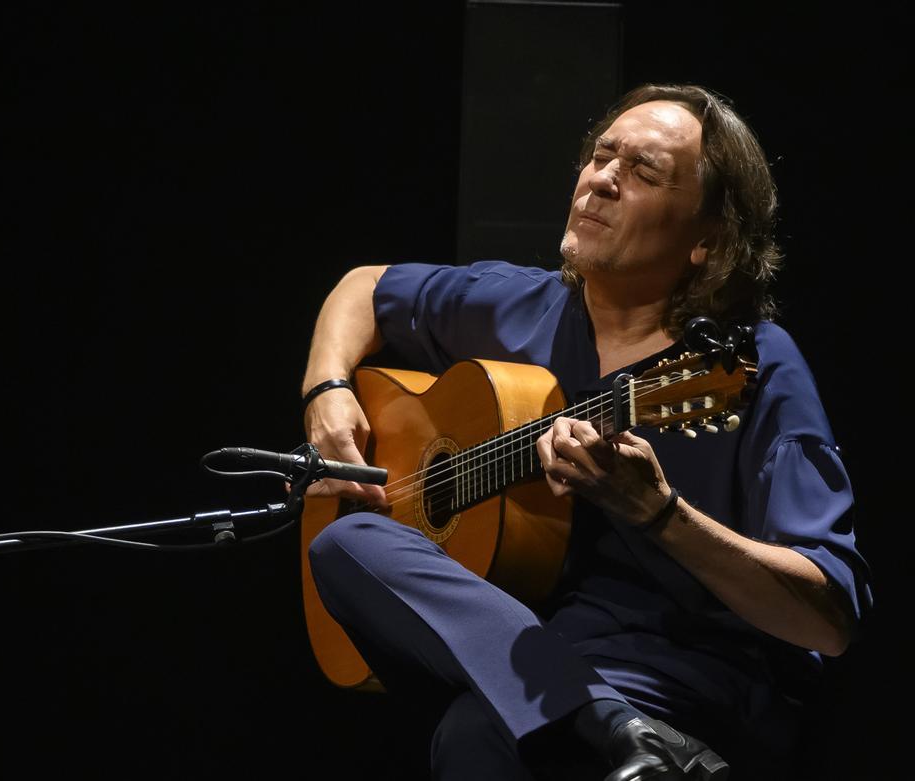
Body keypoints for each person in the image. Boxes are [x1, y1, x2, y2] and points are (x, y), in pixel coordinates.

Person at [300, 84, 873, 780]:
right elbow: (362, 288)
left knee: (476, 736)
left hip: (692, 675)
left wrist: (661, 514)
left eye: (643, 172)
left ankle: (636, 734)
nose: (602, 179)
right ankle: (610, 727)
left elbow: (828, 619)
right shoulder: (524, 305)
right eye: (602, 157)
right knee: (345, 542)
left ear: (707, 240)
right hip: (541, 651)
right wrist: (327, 391)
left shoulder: (748, 366)